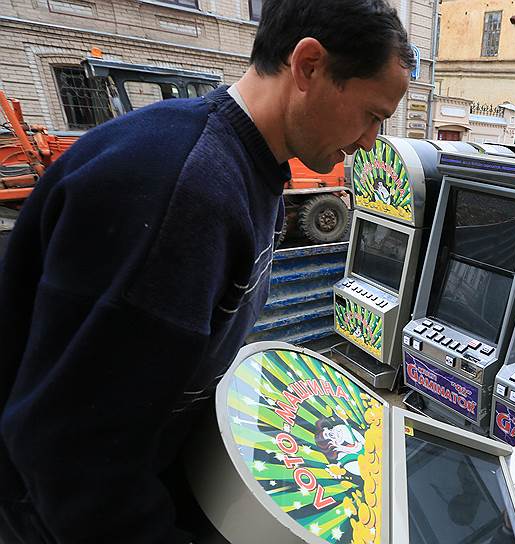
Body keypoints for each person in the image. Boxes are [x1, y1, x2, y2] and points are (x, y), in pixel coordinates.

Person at [0, 0, 413, 541]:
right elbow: (74, 456)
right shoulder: (185, 194)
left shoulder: (246, 167)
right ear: (309, 66)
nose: (369, 142)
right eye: (373, 115)